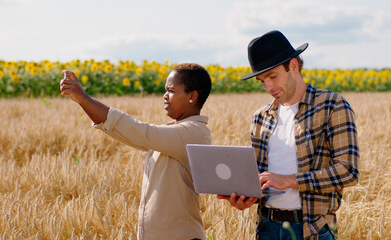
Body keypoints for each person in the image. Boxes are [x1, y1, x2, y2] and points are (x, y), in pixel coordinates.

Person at [217, 30, 359, 240]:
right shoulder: (260, 118)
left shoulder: (332, 105)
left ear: (293, 65)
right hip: (267, 228)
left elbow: (348, 171)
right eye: (262, 80)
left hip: (313, 229)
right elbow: (261, 177)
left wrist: (291, 180)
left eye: (273, 76)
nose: (268, 86)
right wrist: (246, 197)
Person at [60, 63, 212, 240]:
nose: (164, 96)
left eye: (171, 90)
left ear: (192, 96)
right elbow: (124, 132)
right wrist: (82, 102)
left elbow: (139, 132)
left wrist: (85, 99)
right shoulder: (177, 132)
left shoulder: (194, 133)